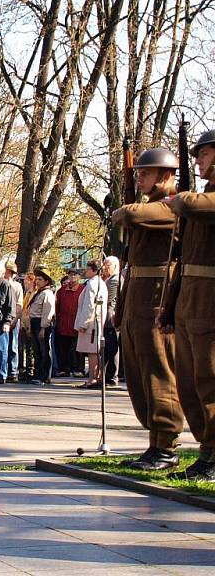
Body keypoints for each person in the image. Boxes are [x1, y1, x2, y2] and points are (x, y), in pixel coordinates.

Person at [111, 147, 184, 470]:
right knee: (140, 377)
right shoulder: (152, 205)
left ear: (166, 176)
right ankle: (154, 442)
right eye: (138, 172)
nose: (139, 177)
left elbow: (131, 215)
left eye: (146, 172)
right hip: (137, 299)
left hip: (157, 299)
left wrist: (123, 210)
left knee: (159, 374)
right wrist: (122, 307)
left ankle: (167, 445)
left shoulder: (174, 205)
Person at [163, 129, 215, 481]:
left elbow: (195, 204)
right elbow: (183, 260)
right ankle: (206, 449)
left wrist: (180, 199)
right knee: (189, 382)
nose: (197, 159)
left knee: (210, 378)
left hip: (210, 300)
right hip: (190, 299)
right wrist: (170, 308)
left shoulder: (201, 201)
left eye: (203, 153)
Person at [75, 260, 108, 388]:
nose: (85, 271)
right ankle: (95, 377)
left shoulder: (93, 284)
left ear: (94, 270)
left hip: (91, 324)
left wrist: (84, 323)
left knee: (92, 351)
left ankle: (93, 378)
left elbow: (89, 305)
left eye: (88, 269)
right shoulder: (100, 283)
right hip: (96, 322)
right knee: (94, 350)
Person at [27, 268, 55, 385]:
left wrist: (43, 328)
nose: (37, 281)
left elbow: (48, 312)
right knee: (37, 351)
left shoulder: (47, 294)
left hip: (41, 324)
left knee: (44, 351)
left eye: (40, 279)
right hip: (34, 323)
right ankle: (37, 374)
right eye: (36, 279)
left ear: (46, 281)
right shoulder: (38, 293)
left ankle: (44, 376)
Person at [54, 269, 84, 377]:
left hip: (76, 323)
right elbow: (57, 307)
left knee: (77, 348)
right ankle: (64, 369)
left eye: (75, 274)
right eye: (70, 274)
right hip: (63, 324)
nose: (72, 277)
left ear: (79, 277)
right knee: (63, 348)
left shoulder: (82, 290)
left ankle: (78, 369)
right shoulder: (61, 291)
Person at [101, 256, 121, 387]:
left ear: (114, 266)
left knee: (112, 348)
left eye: (107, 265)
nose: (104, 268)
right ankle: (106, 375)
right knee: (108, 348)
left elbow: (107, 299)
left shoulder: (114, 280)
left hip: (111, 318)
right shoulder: (109, 279)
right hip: (107, 318)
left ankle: (112, 377)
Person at [4, 261, 23, 382]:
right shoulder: (1, 284)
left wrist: (15, 320)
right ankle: (5, 369)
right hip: (3, 319)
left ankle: (13, 371)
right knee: (4, 346)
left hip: (14, 319)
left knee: (13, 346)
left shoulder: (17, 286)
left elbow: (19, 304)